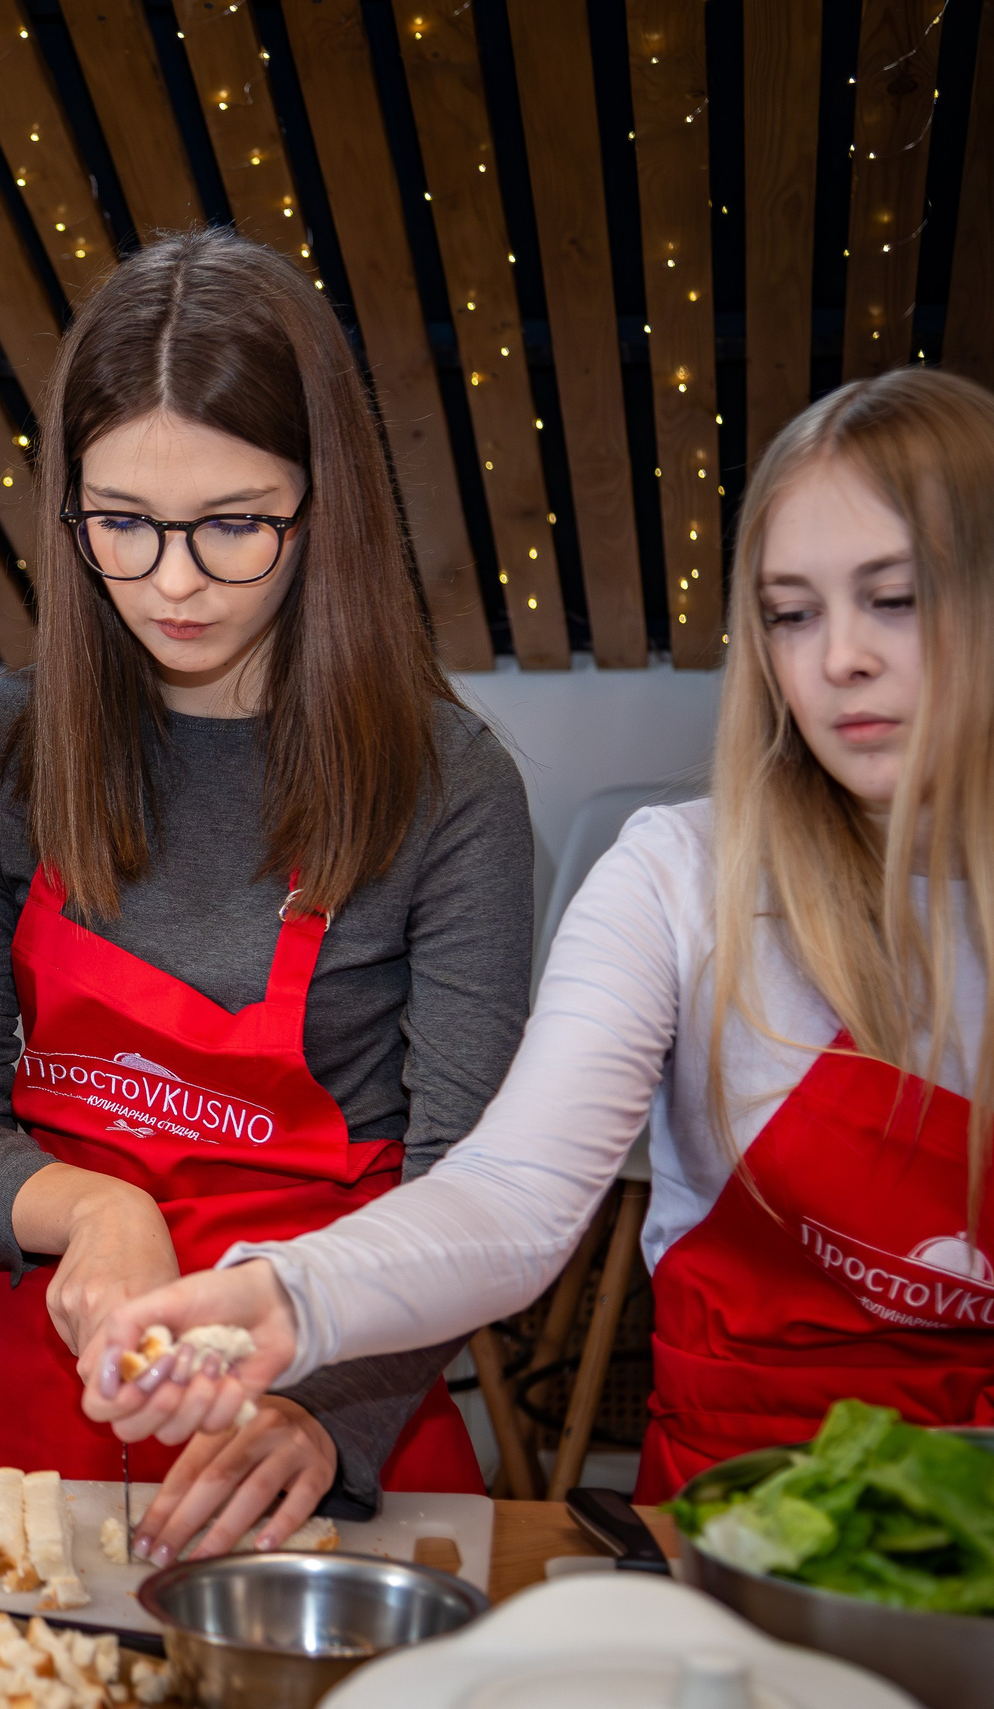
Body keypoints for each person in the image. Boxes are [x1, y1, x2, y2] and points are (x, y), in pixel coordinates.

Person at [85, 366, 994, 1505]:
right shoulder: (681, 876)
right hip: (744, 1510)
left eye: (895, 598)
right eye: (791, 612)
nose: (839, 657)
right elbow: (513, 1195)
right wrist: (283, 1298)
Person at [0, 230, 527, 1557]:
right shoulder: (2, 753)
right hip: (59, 1439)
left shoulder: (452, 788)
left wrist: (321, 1417)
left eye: (234, 525)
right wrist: (98, 1209)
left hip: (336, 1431)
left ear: (326, 507)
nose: (176, 583)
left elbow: (474, 1191)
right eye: (124, 527)